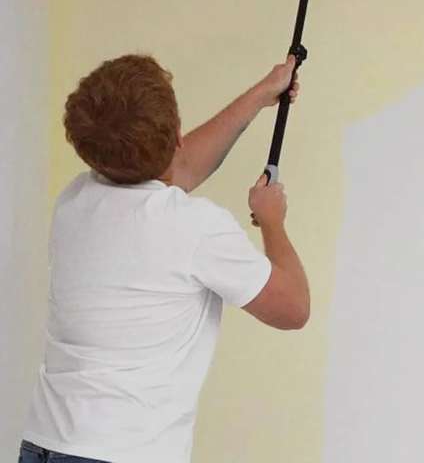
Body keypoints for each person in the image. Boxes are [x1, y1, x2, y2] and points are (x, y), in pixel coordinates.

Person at [18, 53, 309, 463]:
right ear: (176, 136)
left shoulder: (75, 201)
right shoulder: (195, 228)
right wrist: (272, 221)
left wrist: (263, 93)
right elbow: (293, 308)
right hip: (122, 454)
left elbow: (175, 167)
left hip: (45, 444)